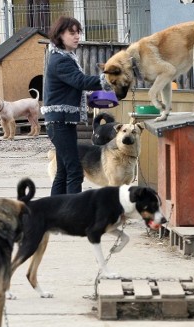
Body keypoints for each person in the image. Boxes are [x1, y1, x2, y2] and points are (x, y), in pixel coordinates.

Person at [42, 16, 113, 195]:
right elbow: (80, 81)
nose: (77, 37)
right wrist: (109, 78)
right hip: (59, 123)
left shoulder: (63, 56)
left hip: (62, 122)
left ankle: (55, 212)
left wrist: (91, 96)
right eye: (71, 33)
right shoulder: (61, 60)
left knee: (64, 171)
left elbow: (72, 86)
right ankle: (74, 214)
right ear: (60, 35)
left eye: (78, 32)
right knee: (74, 171)